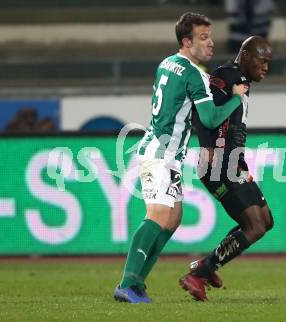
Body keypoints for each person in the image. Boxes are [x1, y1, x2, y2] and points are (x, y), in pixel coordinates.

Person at [113, 12, 246, 303]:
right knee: (159, 215)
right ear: (187, 41)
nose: (210, 43)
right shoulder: (193, 73)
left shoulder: (167, 63)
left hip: (167, 154)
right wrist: (236, 97)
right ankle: (127, 283)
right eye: (203, 38)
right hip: (161, 153)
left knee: (173, 218)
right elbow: (209, 119)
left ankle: (137, 282)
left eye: (210, 36)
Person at [179, 35, 274, 301]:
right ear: (245, 55)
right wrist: (208, 148)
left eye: (269, 62)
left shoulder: (241, 81)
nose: (266, 67)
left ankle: (205, 266)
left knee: (266, 222)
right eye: (261, 61)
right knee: (253, 226)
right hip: (218, 163)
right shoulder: (224, 76)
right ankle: (199, 274)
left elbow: (230, 125)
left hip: (233, 163)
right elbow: (202, 113)